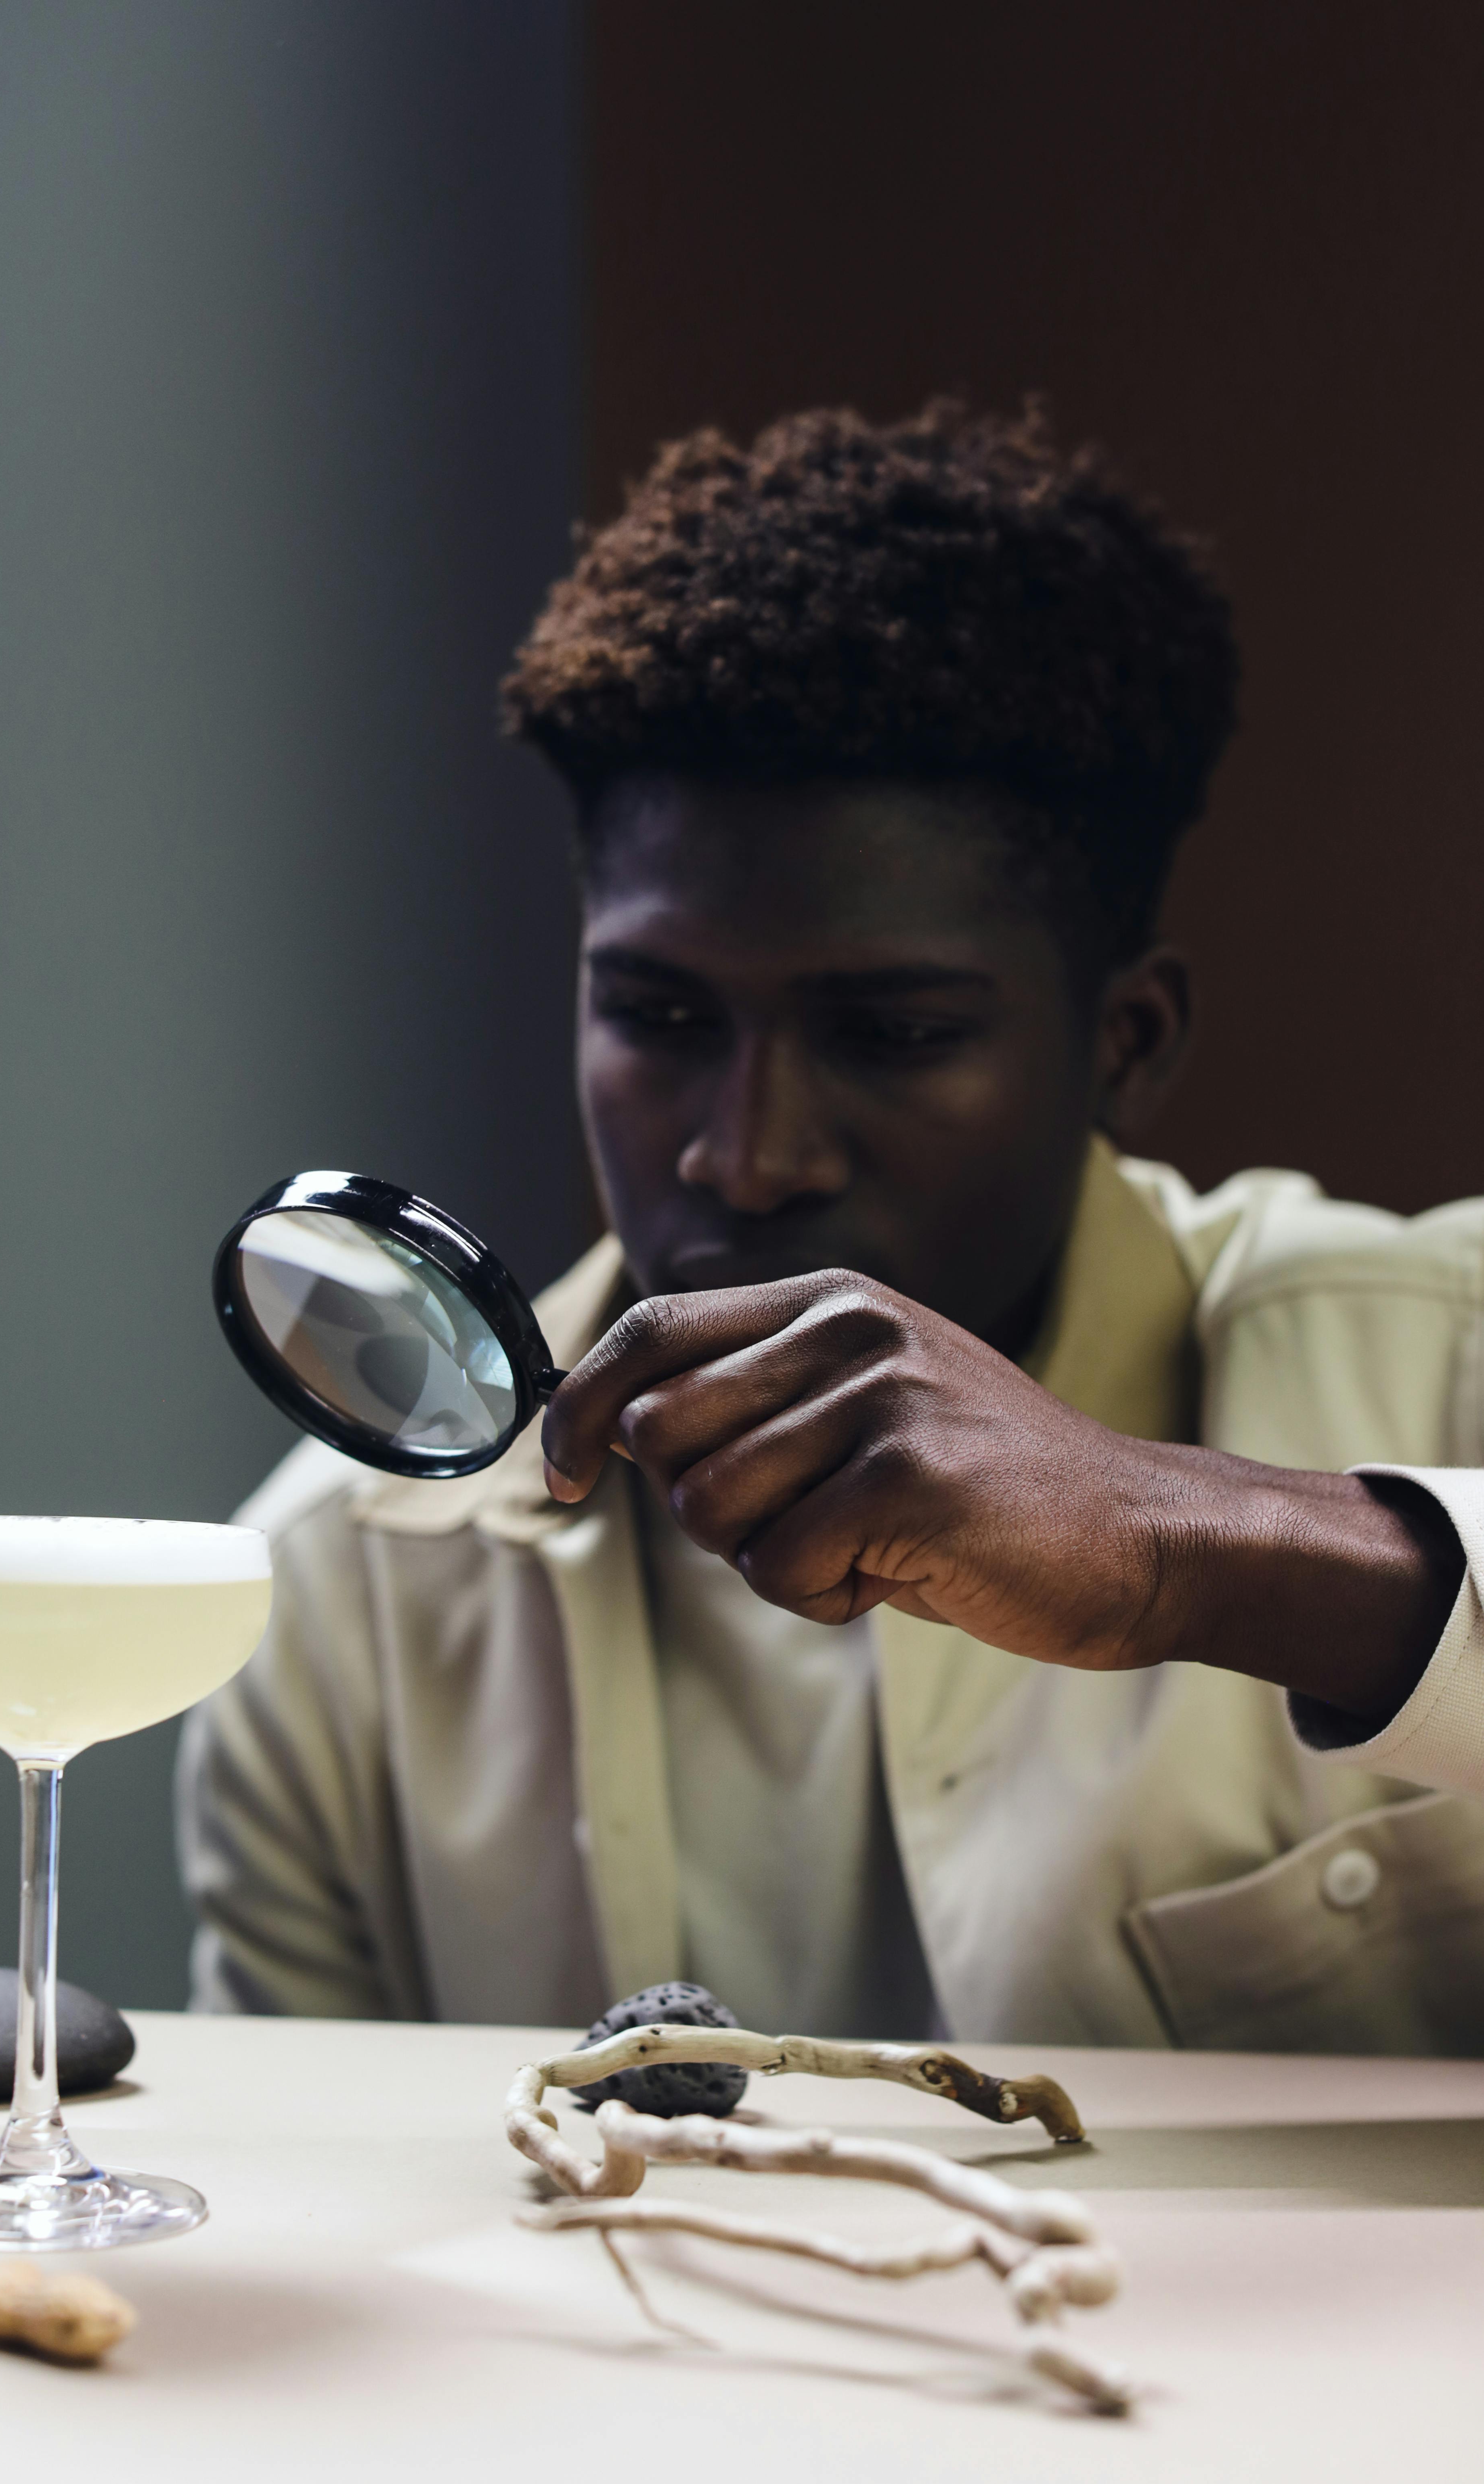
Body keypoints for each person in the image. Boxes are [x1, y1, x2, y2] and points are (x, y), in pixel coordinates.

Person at [179, 402, 1484, 2052]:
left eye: (894, 1034)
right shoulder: (339, 1595)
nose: (747, 1154)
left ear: (1127, 1043)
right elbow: (334, 2218)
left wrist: (1174, 1548)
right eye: (657, 1015)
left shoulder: (1445, 1364)